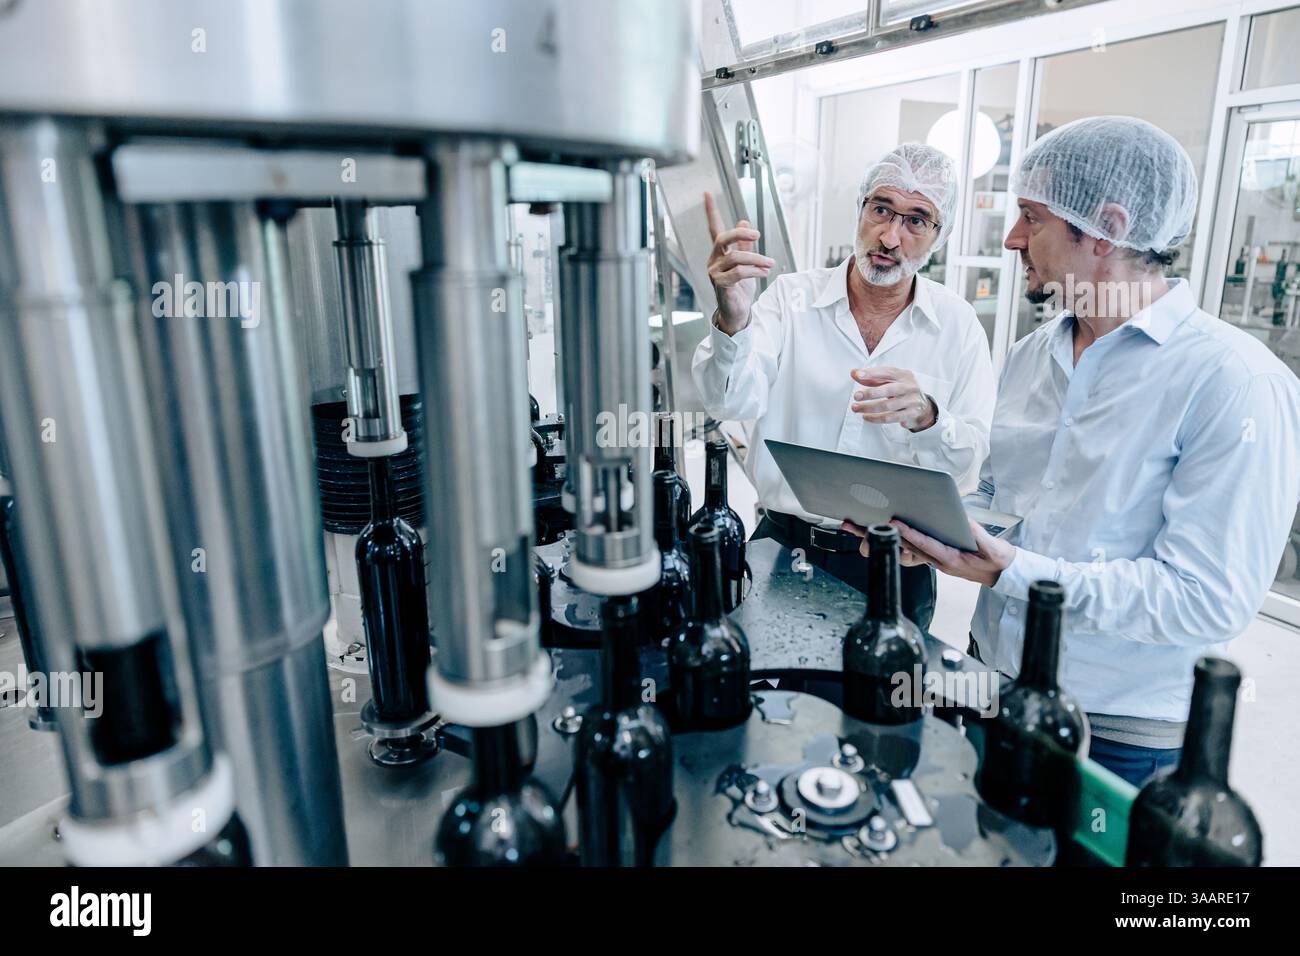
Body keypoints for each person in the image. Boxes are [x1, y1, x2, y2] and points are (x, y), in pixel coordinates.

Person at [846, 116, 1300, 786]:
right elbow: (1006, 497)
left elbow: (1207, 598)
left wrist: (1010, 570)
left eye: (1031, 217)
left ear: (1108, 227)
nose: (1010, 239)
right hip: (988, 683)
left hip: (1112, 731)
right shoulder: (1036, 354)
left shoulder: (1233, 382)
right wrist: (939, 527)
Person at [692, 144, 995, 632]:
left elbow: (970, 464)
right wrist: (733, 316)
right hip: (780, 551)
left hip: (895, 569)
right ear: (860, 210)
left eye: (917, 220)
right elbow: (728, 400)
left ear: (939, 237)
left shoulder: (958, 328)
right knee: (771, 702)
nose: (891, 236)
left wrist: (930, 418)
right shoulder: (791, 300)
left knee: (881, 706)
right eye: (881, 209)